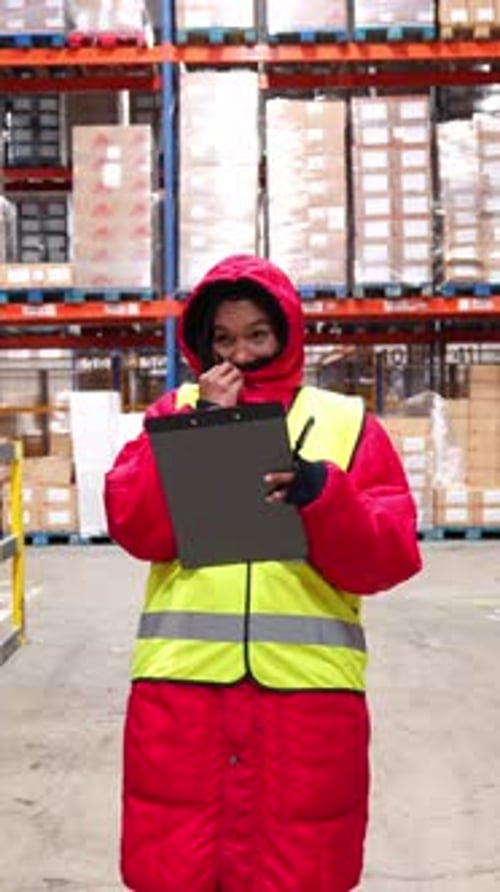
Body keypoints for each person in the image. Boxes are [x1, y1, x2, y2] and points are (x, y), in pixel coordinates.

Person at [104, 253, 422, 892]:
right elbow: (136, 527)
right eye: (222, 338)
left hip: (304, 700)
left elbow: (387, 556)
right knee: (180, 866)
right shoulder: (174, 411)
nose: (240, 354)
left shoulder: (344, 423)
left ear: (286, 335)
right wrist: (196, 431)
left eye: (257, 335)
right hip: (184, 693)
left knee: (297, 868)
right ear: (201, 342)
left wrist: (322, 493)